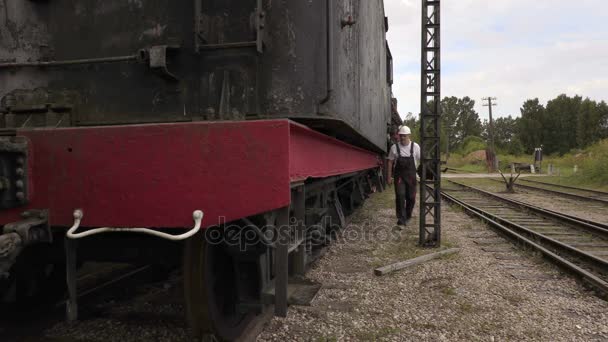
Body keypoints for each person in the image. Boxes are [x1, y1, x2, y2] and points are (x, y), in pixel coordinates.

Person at [387, 125, 421, 227]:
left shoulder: (415, 147)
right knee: (400, 196)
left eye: (404, 136)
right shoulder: (394, 147)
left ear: (409, 135)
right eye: (401, 135)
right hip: (399, 177)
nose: (402, 137)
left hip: (411, 177)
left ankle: (408, 215)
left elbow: (422, 161)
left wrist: (422, 174)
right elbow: (390, 162)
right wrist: (389, 177)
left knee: (411, 198)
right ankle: (401, 218)